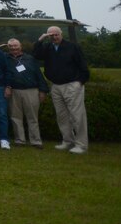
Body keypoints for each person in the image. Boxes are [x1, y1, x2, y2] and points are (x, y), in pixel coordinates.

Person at [33, 26, 90, 154]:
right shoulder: (48, 48)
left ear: (61, 34)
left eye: (56, 35)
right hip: (56, 86)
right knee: (62, 116)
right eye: (51, 35)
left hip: (72, 85)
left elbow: (83, 66)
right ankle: (67, 141)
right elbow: (36, 55)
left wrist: (79, 82)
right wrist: (40, 40)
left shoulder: (72, 47)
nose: (54, 37)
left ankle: (81, 145)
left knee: (77, 116)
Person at [5, 38, 49, 149]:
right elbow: (4, 75)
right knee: (15, 117)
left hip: (31, 91)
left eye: (16, 46)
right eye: (11, 46)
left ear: (20, 46)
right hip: (14, 91)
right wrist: (7, 86)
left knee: (32, 117)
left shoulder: (30, 59)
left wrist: (43, 90)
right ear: (8, 47)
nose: (13, 48)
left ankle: (36, 141)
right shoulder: (5, 59)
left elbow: (39, 75)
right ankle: (20, 140)